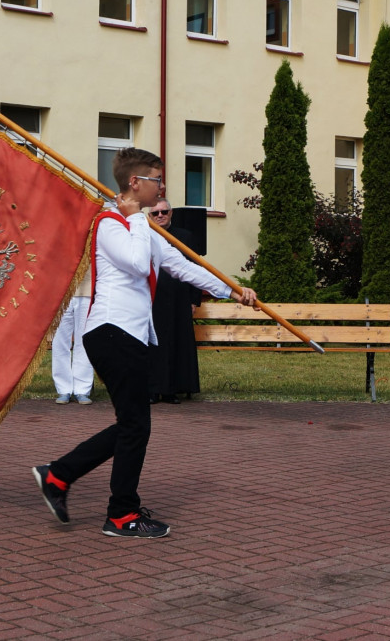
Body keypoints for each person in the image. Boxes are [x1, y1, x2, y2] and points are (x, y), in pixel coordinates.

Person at [32, 148, 256, 538]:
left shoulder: (142, 228)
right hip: (111, 332)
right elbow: (137, 263)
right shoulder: (110, 224)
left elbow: (181, 265)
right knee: (135, 425)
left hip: (127, 336)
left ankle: (60, 476)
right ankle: (120, 514)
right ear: (135, 183)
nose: (162, 186)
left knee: (131, 425)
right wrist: (135, 215)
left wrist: (232, 291)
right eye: (156, 178)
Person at [147, 199, 202, 404]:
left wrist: (194, 300)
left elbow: (197, 269)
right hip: (150, 300)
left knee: (175, 344)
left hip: (179, 301)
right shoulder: (144, 237)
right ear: (149, 216)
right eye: (155, 213)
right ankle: (152, 389)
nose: (160, 215)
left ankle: (173, 390)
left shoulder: (185, 237)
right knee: (152, 345)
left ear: (171, 214)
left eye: (164, 212)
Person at [52, 272, 94, 404]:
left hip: (87, 288)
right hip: (61, 289)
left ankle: (82, 389)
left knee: (84, 341)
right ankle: (63, 389)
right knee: (60, 341)